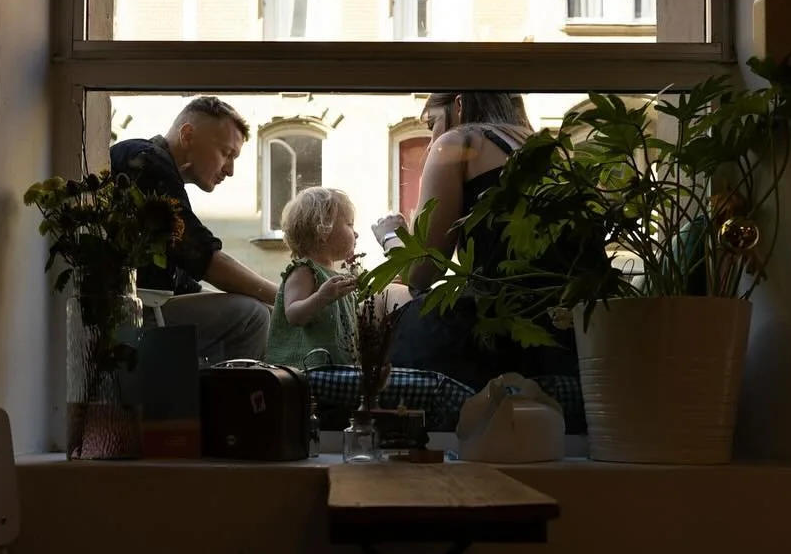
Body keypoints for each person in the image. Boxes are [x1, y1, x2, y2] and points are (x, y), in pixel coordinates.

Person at [370, 92, 592, 427]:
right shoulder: (553, 151)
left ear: (459, 104)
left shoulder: (459, 142)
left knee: (395, 303)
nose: (431, 139)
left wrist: (391, 237)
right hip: (572, 336)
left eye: (432, 124)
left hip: (499, 330)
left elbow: (423, 271)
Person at [110, 96, 278, 362]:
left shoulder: (156, 168)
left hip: (144, 308)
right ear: (187, 135)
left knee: (261, 312)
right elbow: (202, 256)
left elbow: (186, 275)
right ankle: (232, 402)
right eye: (226, 153)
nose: (231, 170)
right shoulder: (147, 162)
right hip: (130, 316)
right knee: (254, 317)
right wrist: (283, 298)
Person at [264, 186, 360, 369]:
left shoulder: (334, 277)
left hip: (334, 369)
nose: (355, 233)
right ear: (323, 229)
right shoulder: (304, 271)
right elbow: (294, 314)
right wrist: (322, 297)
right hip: (304, 370)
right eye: (349, 224)